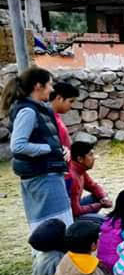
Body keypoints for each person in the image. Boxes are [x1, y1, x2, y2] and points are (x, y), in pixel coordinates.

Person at [2, 68, 72, 232]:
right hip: (43, 176)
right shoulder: (28, 111)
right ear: (38, 86)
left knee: (54, 225)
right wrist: (49, 149)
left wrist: (59, 150)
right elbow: (18, 145)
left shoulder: (38, 109)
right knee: (55, 227)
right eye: (49, 84)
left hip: (47, 172)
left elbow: (42, 138)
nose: (52, 89)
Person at [68, 141, 112, 224]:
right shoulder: (73, 178)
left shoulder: (80, 170)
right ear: (80, 159)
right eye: (90, 155)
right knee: (106, 221)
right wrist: (100, 205)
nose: (94, 158)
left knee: (97, 196)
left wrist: (104, 197)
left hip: (75, 208)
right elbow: (75, 211)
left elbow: (93, 186)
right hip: (72, 215)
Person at [48, 81, 78, 161]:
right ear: (59, 98)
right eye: (70, 101)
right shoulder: (48, 119)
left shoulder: (55, 116)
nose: (71, 106)